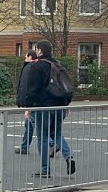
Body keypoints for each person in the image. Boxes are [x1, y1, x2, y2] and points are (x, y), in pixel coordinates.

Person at [16, 40, 76, 177]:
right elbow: (66, 85)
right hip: (60, 105)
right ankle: (69, 157)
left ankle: (45, 169)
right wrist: (66, 104)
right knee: (57, 134)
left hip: (43, 106)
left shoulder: (39, 66)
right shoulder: (58, 65)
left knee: (42, 137)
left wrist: (28, 106)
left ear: (40, 51)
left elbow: (33, 89)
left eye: (36, 49)